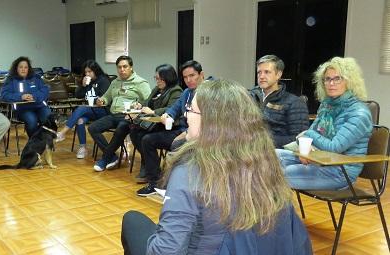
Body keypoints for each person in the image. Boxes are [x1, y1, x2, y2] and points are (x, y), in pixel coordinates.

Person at [121, 79, 312, 255]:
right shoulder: (266, 161)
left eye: (192, 110)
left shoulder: (189, 171)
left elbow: (167, 250)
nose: (186, 115)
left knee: (132, 220)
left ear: (211, 121)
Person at [276, 57, 373, 190]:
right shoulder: (327, 105)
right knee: (270, 156)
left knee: (272, 177)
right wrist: (304, 149)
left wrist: (307, 133)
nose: (331, 83)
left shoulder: (359, 113)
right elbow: (309, 138)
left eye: (337, 78)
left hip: (340, 172)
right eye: (327, 79)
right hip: (317, 160)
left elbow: (334, 147)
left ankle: (279, 211)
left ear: (349, 81)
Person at [135, 60, 204, 196]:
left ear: (201, 74)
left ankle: (174, 187)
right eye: (185, 77)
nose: (188, 80)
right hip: (183, 131)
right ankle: (155, 183)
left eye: (192, 75)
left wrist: (185, 133)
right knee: (147, 139)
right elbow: (175, 108)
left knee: (177, 145)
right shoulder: (186, 93)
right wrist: (168, 114)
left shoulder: (209, 93)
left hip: (199, 135)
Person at [88, 55, 151, 171]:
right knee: (93, 128)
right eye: (119, 67)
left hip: (129, 117)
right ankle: (112, 156)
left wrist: (140, 107)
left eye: (125, 67)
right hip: (114, 115)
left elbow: (149, 101)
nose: (122, 70)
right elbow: (106, 97)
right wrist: (102, 100)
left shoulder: (140, 83)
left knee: (121, 129)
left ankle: (105, 158)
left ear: (131, 67)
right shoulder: (115, 82)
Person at [129, 64, 183, 183]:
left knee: (145, 138)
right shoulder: (156, 89)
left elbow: (171, 108)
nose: (157, 81)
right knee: (133, 130)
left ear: (167, 78)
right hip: (154, 122)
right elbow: (146, 102)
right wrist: (139, 105)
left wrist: (153, 111)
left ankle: (152, 171)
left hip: (167, 125)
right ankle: (149, 162)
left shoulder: (176, 91)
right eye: (156, 78)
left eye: (159, 79)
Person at [250, 55, 309, 148]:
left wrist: (263, 140)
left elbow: (299, 138)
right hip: (246, 150)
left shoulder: (294, 102)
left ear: (278, 74)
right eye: (259, 72)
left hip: (275, 153)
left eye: (267, 72)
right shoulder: (248, 97)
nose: (261, 76)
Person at [55, 60, 110, 158]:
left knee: (81, 108)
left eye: (90, 72)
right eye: (86, 72)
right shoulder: (87, 81)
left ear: (95, 70)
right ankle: (83, 148)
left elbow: (104, 99)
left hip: (103, 111)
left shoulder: (103, 80)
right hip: (91, 110)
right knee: (80, 120)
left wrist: (94, 100)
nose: (87, 74)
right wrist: (83, 86)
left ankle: (63, 132)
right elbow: (78, 95)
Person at [1, 56, 51, 137]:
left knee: (48, 117)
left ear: (29, 69)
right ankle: (34, 142)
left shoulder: (36, 78)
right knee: (32, 120)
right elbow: (4, 95)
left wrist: (34, 96)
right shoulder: (11, 80)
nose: (23, 69)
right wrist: (21, 97)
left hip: (39, 106)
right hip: (23, 109)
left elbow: (45, 90)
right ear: (16, 68)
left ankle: (43, 139)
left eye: (26, 67)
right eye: (21, 67)